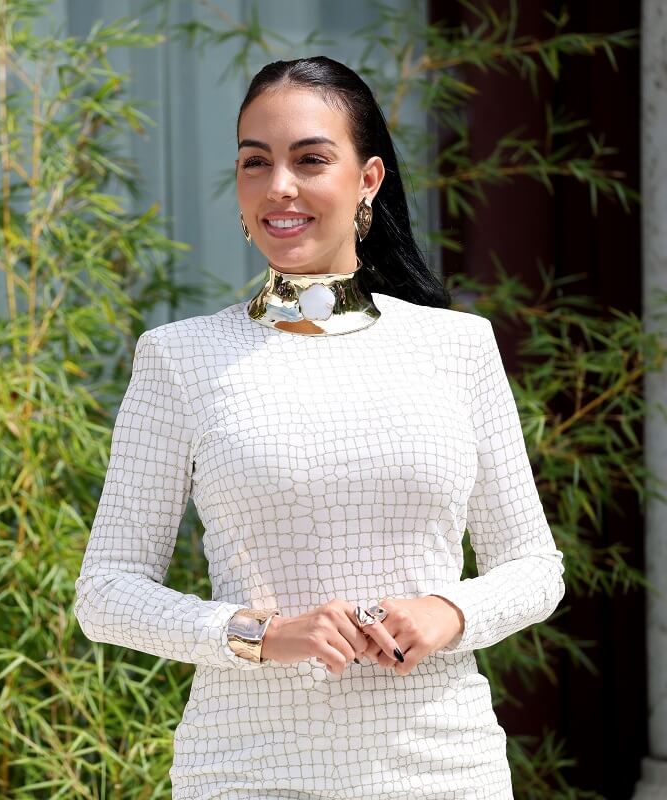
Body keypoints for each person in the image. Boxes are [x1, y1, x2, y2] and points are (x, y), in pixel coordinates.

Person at [72, 55, 565, 800]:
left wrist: (449, 611)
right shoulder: (180, 359)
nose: (279, 187)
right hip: (247, 770)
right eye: (254, 162)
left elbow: (534, 567)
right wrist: (259, 637)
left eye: (310, 160)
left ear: (368, 180)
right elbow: (105, 593)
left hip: (441, 767)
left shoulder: (457, 348)